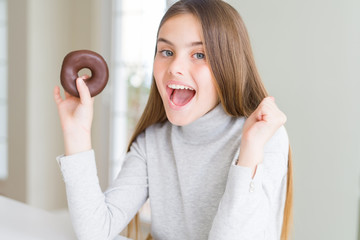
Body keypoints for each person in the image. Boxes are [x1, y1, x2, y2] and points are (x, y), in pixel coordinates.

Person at [53, 0, 293, 239]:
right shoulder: (153, 142)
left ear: (228, 65)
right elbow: (95, 230)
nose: (175, 67)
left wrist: (249, 153)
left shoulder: (264, 139)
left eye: (199, 54)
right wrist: (78, 133)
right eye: (166, 52)